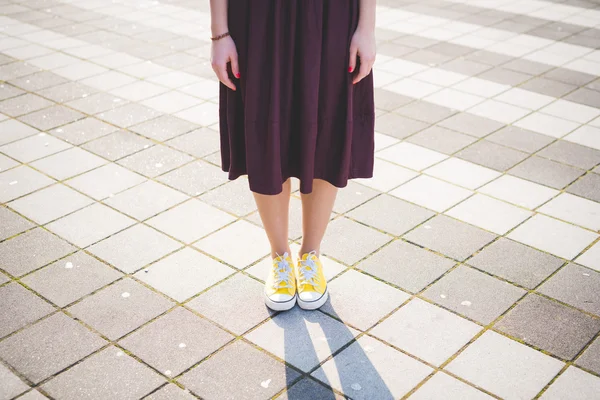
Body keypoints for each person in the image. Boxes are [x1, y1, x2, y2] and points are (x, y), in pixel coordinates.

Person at [209, 0, 376, 312]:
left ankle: (310, 255)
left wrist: (366, 28)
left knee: (327, 128)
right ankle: (279, 257)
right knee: (265, 131)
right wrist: (220, 34)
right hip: (258, 16)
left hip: (333, 15)